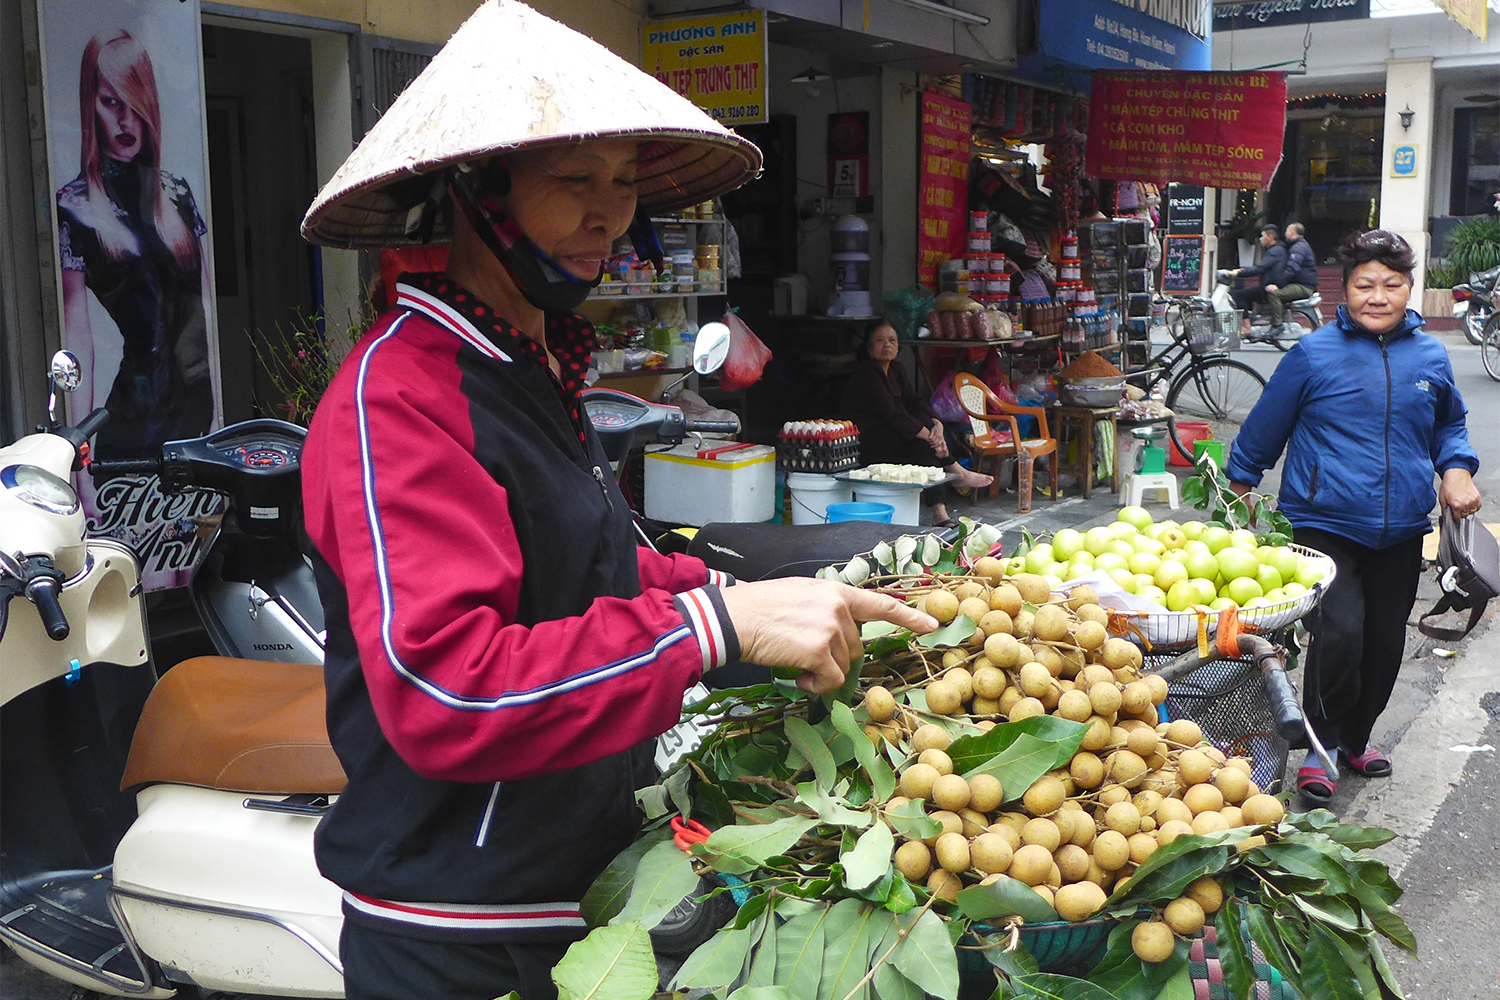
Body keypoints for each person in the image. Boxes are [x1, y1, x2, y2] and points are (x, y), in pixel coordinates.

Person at [296, 4, 935, 998]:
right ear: (477, 193)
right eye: (575, 182)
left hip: (587, 896)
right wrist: (711, 625)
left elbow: (595, 567)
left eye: (626, 182)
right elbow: (446, 688)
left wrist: (777, 589)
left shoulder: (524, 366)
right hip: (460, 931)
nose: (610, 214)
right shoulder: (400, 395)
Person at [1225, 228, 1481, 808]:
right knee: (1339, 635)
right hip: (1322, 523)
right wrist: (1236, 492)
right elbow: (1265, 428)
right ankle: (1319, 745)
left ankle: (1357, 739)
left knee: (1385, 643)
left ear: (1409, 289)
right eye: (1365, 284)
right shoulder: (1314, 354)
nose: (1378, 295)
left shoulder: (1430, 355)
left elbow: (1449, 426)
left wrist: (1457, 468)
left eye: (1391, 285)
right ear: (1345, 290)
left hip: (1403, 526)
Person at [56, 28, 214, 460]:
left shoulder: (177, 195)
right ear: (91, 104)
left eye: (135, 100)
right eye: (111, 102)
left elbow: (204, 307)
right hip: (134, 422)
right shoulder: (76, 208)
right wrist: (76, 454)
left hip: (196, 414)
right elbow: (78, 336)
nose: (126, 120)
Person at [839, 321, 994, 526]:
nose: (887, 345)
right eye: (880, 340)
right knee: (923, 442)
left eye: (892, 340)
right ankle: (950, 486)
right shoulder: (868, 373)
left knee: (928, 424)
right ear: (869, 347)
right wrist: (929, 436)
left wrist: (937, 424)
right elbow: (892, 414)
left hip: (895, 433)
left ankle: (950, 485)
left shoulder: (896, 369)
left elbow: (915, 401)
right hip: (872, 440)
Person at [1228, 224, 1288, 331]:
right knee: (1247, 293)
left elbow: (1260, 268)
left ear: (1270, 237)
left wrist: (1238, 273)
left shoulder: (1275, 251)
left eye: (1262, 236)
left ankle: (1246, 326)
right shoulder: (1278, 250)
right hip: (1270, 284)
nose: (1260, 239)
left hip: (1268, 287)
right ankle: (1251, 319)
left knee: (1238, 295)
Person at [1263, 222, 1319, 333]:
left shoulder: (1298, 248)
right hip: (1304, 284)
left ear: (1291, 232)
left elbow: (1292, 268)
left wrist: (1278, 285)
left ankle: (1277, 325)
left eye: (1287, 231)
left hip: (1304, 286)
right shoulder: (1299, 245)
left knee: (1274, 294)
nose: (1285, 234)